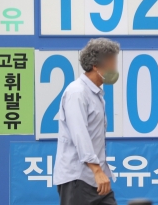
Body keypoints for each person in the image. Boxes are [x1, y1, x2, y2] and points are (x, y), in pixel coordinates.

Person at [53, 38, 120, 205]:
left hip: (97, 179)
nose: (115, 69)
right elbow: (79, 134)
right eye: (112, 63)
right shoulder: (77, 92)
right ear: (96, 66)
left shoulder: (97, 95)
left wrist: (100, 172)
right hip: (77, 178)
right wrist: (96, 170)